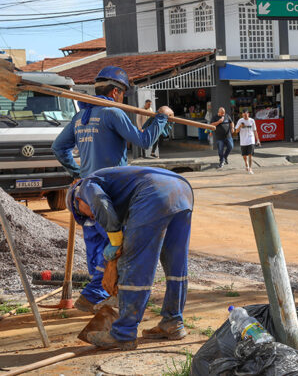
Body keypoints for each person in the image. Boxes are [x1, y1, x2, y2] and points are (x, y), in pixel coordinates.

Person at [52, 66, 173, 313]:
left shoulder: (79, 117)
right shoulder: (113, 113)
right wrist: (161, 117)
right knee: (120, 249)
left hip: (85, 194)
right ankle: (108, 296)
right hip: (111, 194)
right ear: (116, 92)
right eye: (123, 94)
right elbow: (144, 141)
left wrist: (77, 172)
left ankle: (93, 297)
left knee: (97, 249)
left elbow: (58, 147)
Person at [66, 166, 193, 350]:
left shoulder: (85, 187)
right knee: (176, 265)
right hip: (181, 189)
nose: (92, 217)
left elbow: (101, 205)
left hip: (155, 192)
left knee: (133, 265)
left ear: (78, 201)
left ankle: (123, 334)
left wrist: (116, 244)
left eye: (85, 214)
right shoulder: (117, 185)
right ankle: (173, 323)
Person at [234, 110, 260, 174]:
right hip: (243, 141)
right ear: (242, 115)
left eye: (246, 115)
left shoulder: (252, 120)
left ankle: (250, 168)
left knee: (250, 154)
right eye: (243, 115)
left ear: (248, 114)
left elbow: (255, 131)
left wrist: (258, 140)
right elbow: (236, 131)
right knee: (244, 156)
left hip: (251, 139)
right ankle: (246, 164)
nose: (245, 116)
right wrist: (240, 126)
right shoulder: (240, 121)